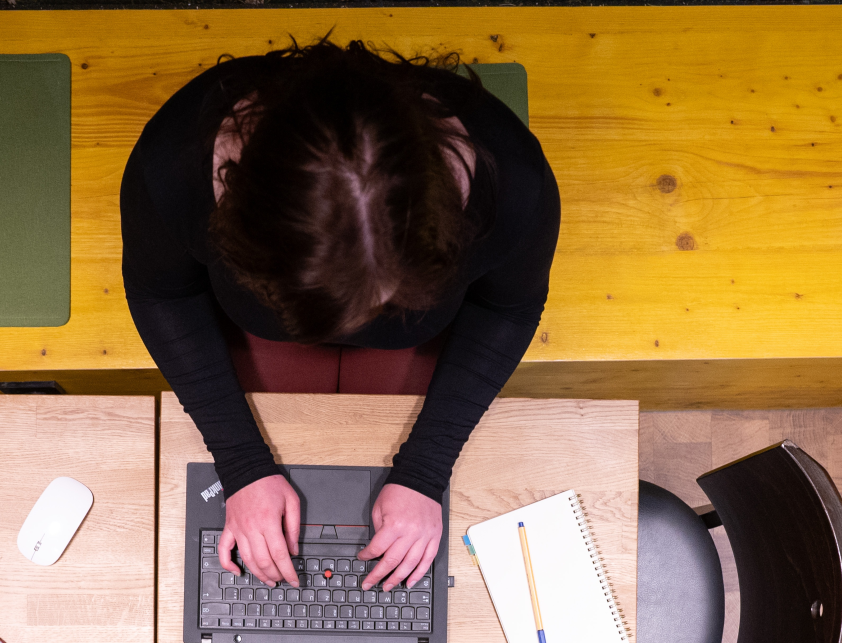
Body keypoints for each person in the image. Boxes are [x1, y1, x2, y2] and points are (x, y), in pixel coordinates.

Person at [121, 37, 560, 593]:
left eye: (387, 296)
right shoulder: (172, 162)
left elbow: (509, 306)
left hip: (411, 343)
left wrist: (427, 471)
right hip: (264, 335)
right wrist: (240, 466)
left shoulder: (515, 183)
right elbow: (162, 294)